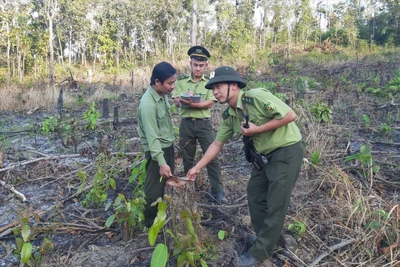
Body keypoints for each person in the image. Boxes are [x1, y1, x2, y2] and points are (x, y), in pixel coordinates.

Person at [186, 66, 304, 266]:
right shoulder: (230, 114)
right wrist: (197, 167)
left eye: (219, 86)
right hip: (263, 157)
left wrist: (258, 129)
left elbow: (290, 115)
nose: (215, 92)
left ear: (234, 85)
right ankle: (267, 240)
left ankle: (260, 252)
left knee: (276, 204)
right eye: (213, 88)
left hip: (286, 152)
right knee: (255, 195)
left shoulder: (255, 97)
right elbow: (216, 144)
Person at [172, 46, 227, 204]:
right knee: (187, 158)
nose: (198, 68)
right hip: (186, 125)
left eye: (201, 65)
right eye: (195, 64)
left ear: (206, 66)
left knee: (212, 157)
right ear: (190, 64)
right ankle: (191, 189)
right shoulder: (181, 81)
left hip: (203, 124)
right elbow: (176, 101)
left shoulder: (210, 83)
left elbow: (209, 103)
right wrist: (183, 101)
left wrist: (192, 104)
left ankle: (218, 191)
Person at [137, 62, 177, 227]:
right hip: (157, 153)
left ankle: (164, 220)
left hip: (167, 148)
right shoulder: (148, 105)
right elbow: (152, 138)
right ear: (157, 82)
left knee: (166, 187)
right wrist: (161, 162)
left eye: (174, 82)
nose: (173, 87)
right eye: (169, 83)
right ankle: (149, 224)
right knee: (154, 190)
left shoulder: (161, 95)